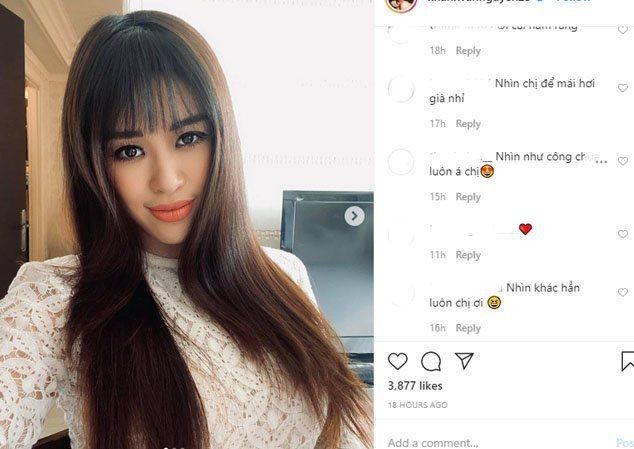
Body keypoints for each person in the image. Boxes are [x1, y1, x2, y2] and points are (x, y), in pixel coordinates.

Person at [0, 10, 372, 449]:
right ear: (94, 165)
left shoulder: (285, 274)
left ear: (221, 136)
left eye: (188, 138)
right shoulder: (53, 300)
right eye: (129, 150)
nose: (168, 180)